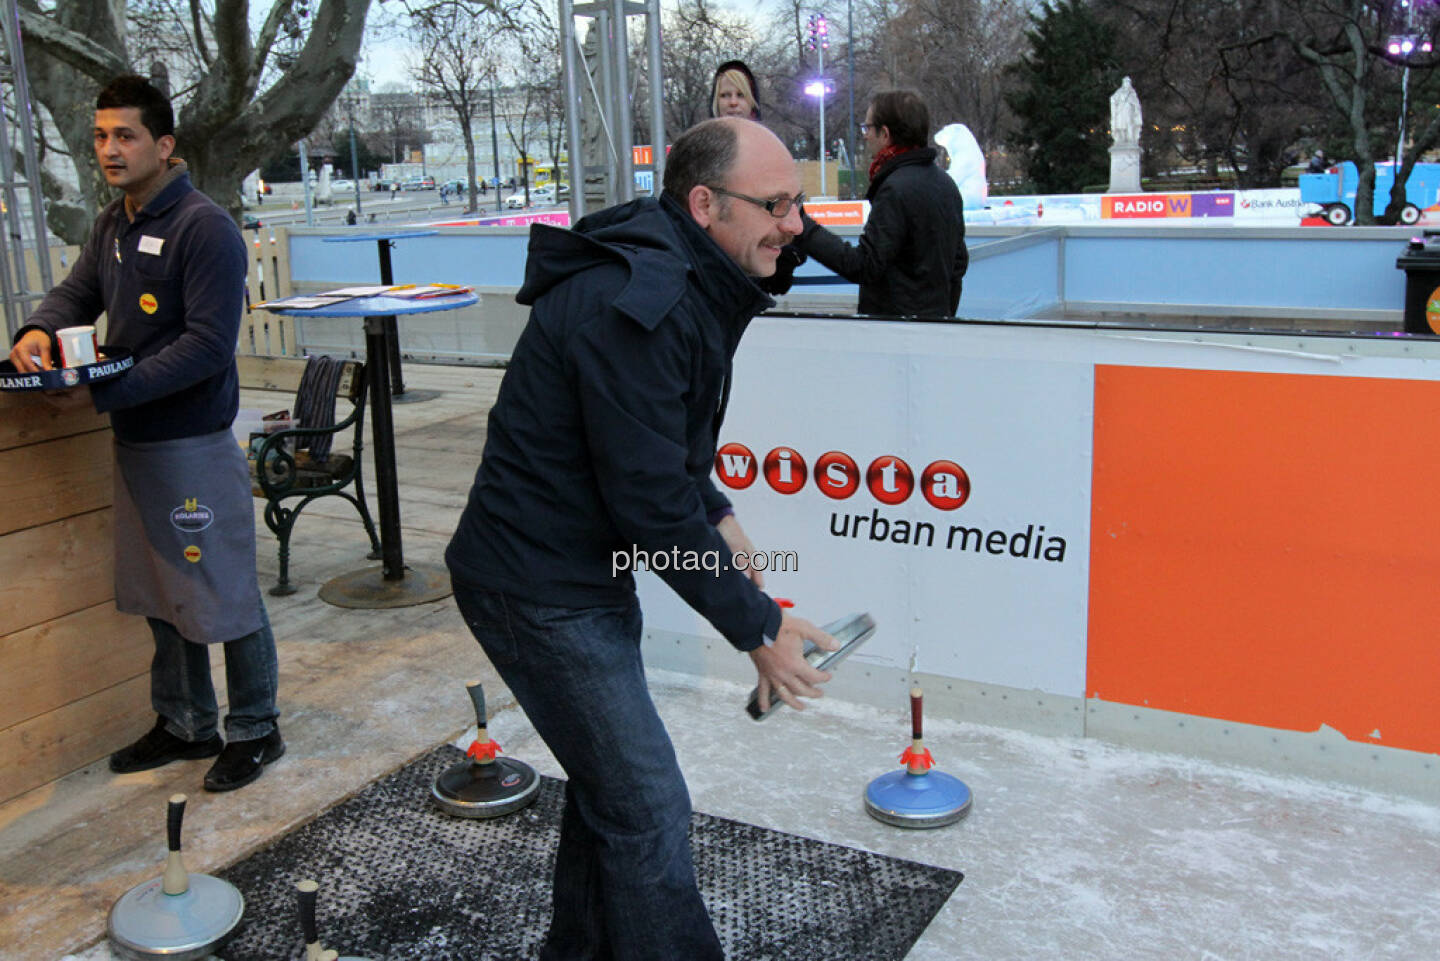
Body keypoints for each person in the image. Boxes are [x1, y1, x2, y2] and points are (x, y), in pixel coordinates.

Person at [445, 117, 838, 961]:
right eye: (774, 204)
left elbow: (681, 467)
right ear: (705, 204)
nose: (794, 224)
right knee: (649, 805)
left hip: (580, 576)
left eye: (797, 201)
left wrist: (757, 591)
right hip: (535, 588)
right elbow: (654, 507)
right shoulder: (643, 304)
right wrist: (757, 629)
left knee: (612, 796)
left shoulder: (689, 282)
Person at [8, 75, 283, 793]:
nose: (108, 149)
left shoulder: (205, 227)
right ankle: (188, 724)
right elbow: (77, 291)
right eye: (101, 136)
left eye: (125, 135)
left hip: (192, 445)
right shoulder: (113, 224)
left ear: (165, 145)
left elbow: (206, 347)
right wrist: (37, 328)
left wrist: (105, 390)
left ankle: (257, 725)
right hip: (135, 444)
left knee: (224, 589)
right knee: (162, 591)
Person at [794, 89, 967, 318]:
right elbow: (958, 263)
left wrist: (802, 226)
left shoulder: (895, 189)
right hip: (936, 323)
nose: (865, 136)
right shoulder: (946, 184)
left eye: (868, 128)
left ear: (885, 134)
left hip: (894, 329)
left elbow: (864, 265)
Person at [708, 59, 804, 296]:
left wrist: (784, 260)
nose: (732, 102)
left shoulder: (769, 149)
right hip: (716, 271)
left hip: (757, 272)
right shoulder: (704, 151)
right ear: (715, 102)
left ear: (752, 102)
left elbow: (789, 204)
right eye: (725, 95)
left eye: (740, 95)